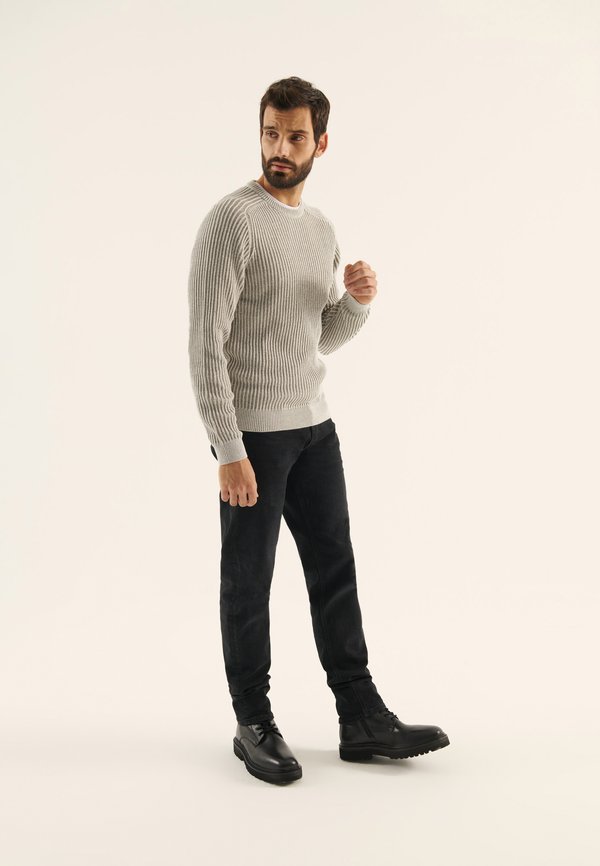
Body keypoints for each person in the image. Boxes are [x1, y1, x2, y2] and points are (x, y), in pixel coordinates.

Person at [187, 76, 449, 785]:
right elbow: (205, 348)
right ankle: (253, 721)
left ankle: (360, 717)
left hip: (314, 429)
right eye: (270, 133)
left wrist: (356, 304)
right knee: (249, 580)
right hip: (254, 437)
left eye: (295, 136)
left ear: (321, 144)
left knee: (335, 569)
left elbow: (314, 337)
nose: (280, 147)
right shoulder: (230, 222)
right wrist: (228, 449)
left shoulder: (321, 230)